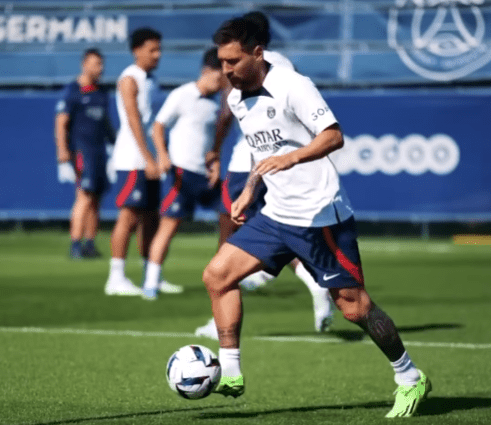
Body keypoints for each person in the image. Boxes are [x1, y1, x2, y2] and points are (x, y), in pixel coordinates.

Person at [203, 18, 432, 418]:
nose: (226, 70)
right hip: (275, 214)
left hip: (319, 216)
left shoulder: (294, 85)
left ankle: (410, 377)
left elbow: (333, 135)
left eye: (233, 61)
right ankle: (232, 372)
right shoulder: (237, 99)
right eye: (222, 62)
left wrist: (291, 157)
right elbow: (260, 152)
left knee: (355, 308)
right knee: (217, 276)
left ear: (257, 53)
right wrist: (249, 190)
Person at [194, 11, 335, 337]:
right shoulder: (284, 63)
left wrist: (214, 149)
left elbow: (229, 110)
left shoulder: (241, 66)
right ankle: (314, 281)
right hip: (282, 164)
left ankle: (220, 322)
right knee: (281, 235)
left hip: (248, 164)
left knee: (228, 237)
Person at [142, 47, 226, 300]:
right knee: (169, 225)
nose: (223, 82)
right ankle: (151, 282)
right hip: (180, 172)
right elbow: (157, 126)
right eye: (220, 76)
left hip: (205, 175)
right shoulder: (183, 95)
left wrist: (216, 161)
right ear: (207, 71)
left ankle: (228, 274)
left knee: (231, 216)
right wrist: (162, 155)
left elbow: (211, 141)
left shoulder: (216, 103)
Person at [105, 27, 183, 296]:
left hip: (147, 160)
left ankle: (152, 274)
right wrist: (149, 158)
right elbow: (133, 120)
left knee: (150, 218)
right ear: (136, 50)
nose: (157, 55)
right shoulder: (130, 78)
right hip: (132, 160)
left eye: (159, 49)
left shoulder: (151, 80)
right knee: (128, 216)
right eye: (152, 49)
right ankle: (115, 278)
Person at [55, 48, 114, 259]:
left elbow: (105, 123)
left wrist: (114, 144)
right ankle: (75, 245)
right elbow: (61, 123)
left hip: (100, 151)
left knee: (97, 199)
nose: (101, 68)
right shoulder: (73, 91)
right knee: (84, 196)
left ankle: (90, 243)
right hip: (82, 151)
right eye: (96, 63)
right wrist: (62, 151)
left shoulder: (101, 92)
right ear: (84, 64)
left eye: (101, 64)